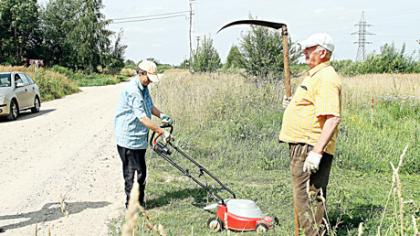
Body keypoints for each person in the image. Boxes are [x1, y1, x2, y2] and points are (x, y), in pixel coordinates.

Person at [278, 33, 342, 236]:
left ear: (322, 52)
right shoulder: (315, 75)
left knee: (307, 197)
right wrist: (293, 105)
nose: (305, 52)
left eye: (310, 48)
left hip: (309, 146)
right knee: (306, 195)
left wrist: (316, 152)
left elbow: (332, 118)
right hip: (303, 145)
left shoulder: (326, 78)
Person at [114, 60, 173, 208]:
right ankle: (131, 205)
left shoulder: (144, 87)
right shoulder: (133, 91)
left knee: (141, 172)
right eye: (148, 78)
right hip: (128, 137)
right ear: (141, 73)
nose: (150, 82)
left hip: (140, 138)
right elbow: (142, 118)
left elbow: (150, 106)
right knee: (130, 174)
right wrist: (161, 131)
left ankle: (140, 201)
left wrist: (162, 115)